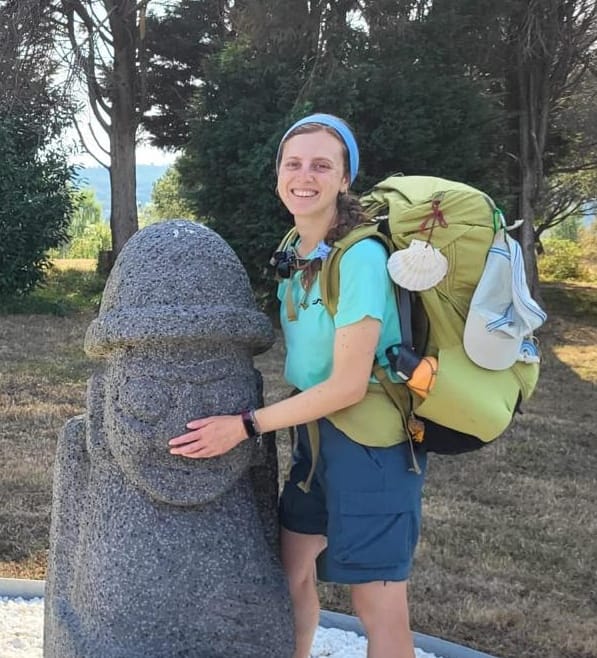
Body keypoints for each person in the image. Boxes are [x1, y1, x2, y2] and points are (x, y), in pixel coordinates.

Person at [169, 113, 427, 658]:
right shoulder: (296, 246)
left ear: (344, 179)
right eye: (294, 163)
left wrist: (245, 426)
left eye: (321, 165)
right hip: (314, 438)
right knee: (289, 577)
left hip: (373, 446)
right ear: (279, 173)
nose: (304, 176)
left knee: (377, 606)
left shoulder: (361, 257)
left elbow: (348, 385)